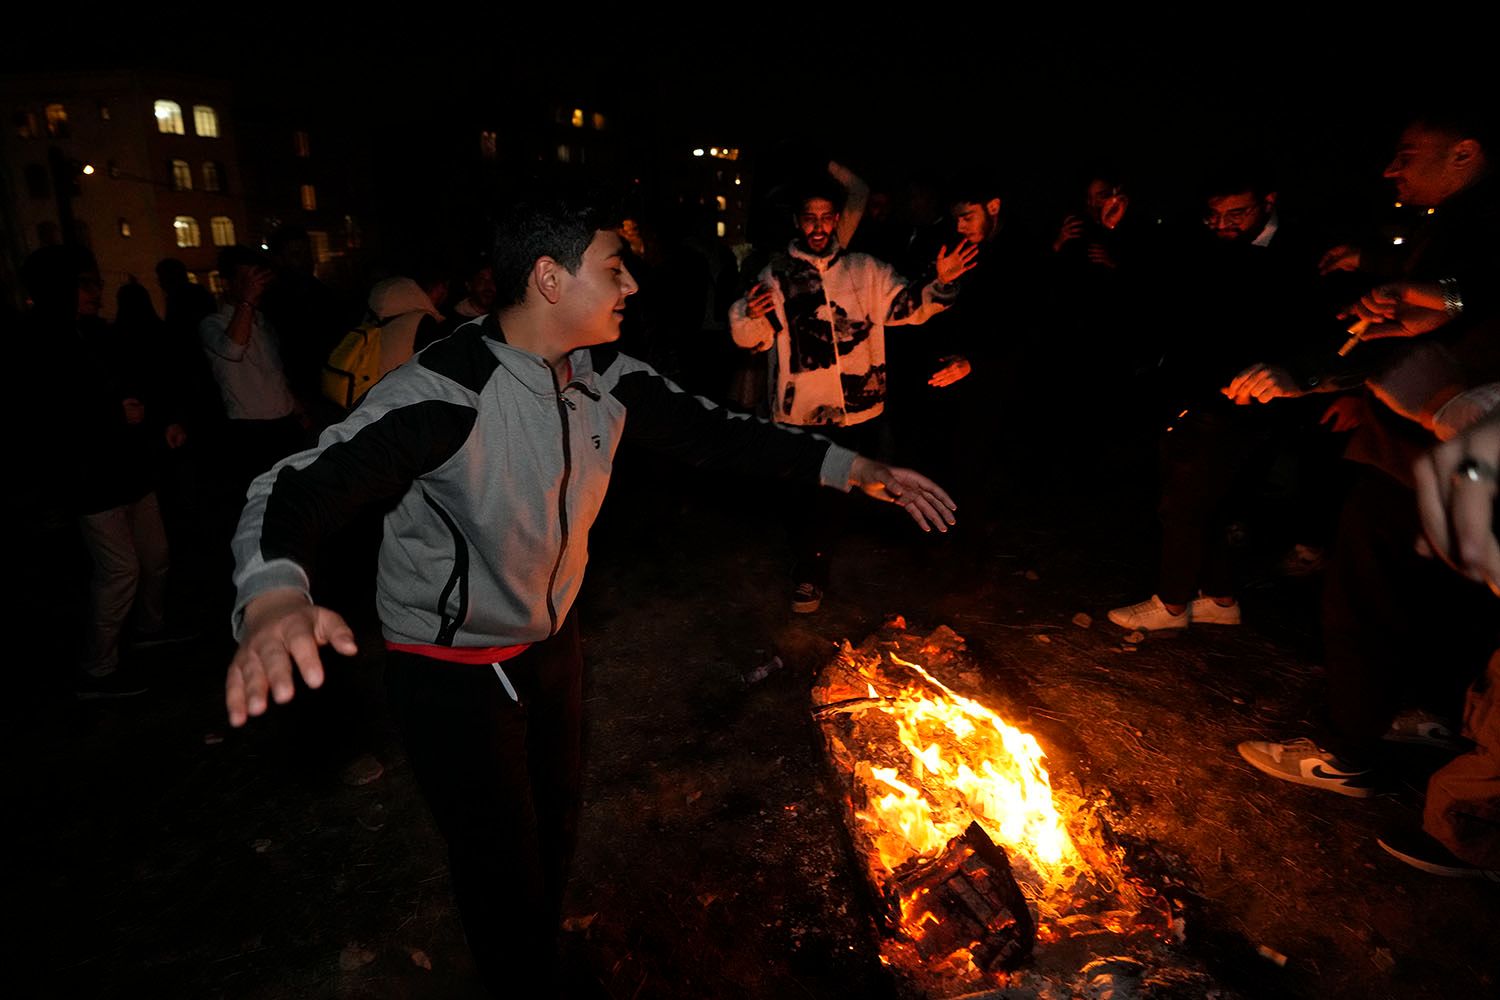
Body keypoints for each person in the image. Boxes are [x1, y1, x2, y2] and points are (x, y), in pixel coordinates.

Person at [221, 186, 956, 997]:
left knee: (556, 825)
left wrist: (857, 469)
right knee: (498, 862)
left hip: (553, 645)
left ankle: (538, 950)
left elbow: (720, 431)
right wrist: (274, 595)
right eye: (615, 268)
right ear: (548, 278)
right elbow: (294, 486)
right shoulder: (442, 393)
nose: (632, 286)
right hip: (451, 671)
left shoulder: (606, 373)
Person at [728, 178, 977, 611]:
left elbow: (907, 308)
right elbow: (756, 340)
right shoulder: (777, 274)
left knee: (835, 490)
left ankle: (811, 572)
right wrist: (747, 315)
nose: (818, 226)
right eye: (810, 218)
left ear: (838, 220)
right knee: (801, 493)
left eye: (826, 217)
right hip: (798, 410)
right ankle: (809, 554)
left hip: (857, 409)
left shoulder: (866, 270)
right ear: (798, 222)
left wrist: (939, 282)